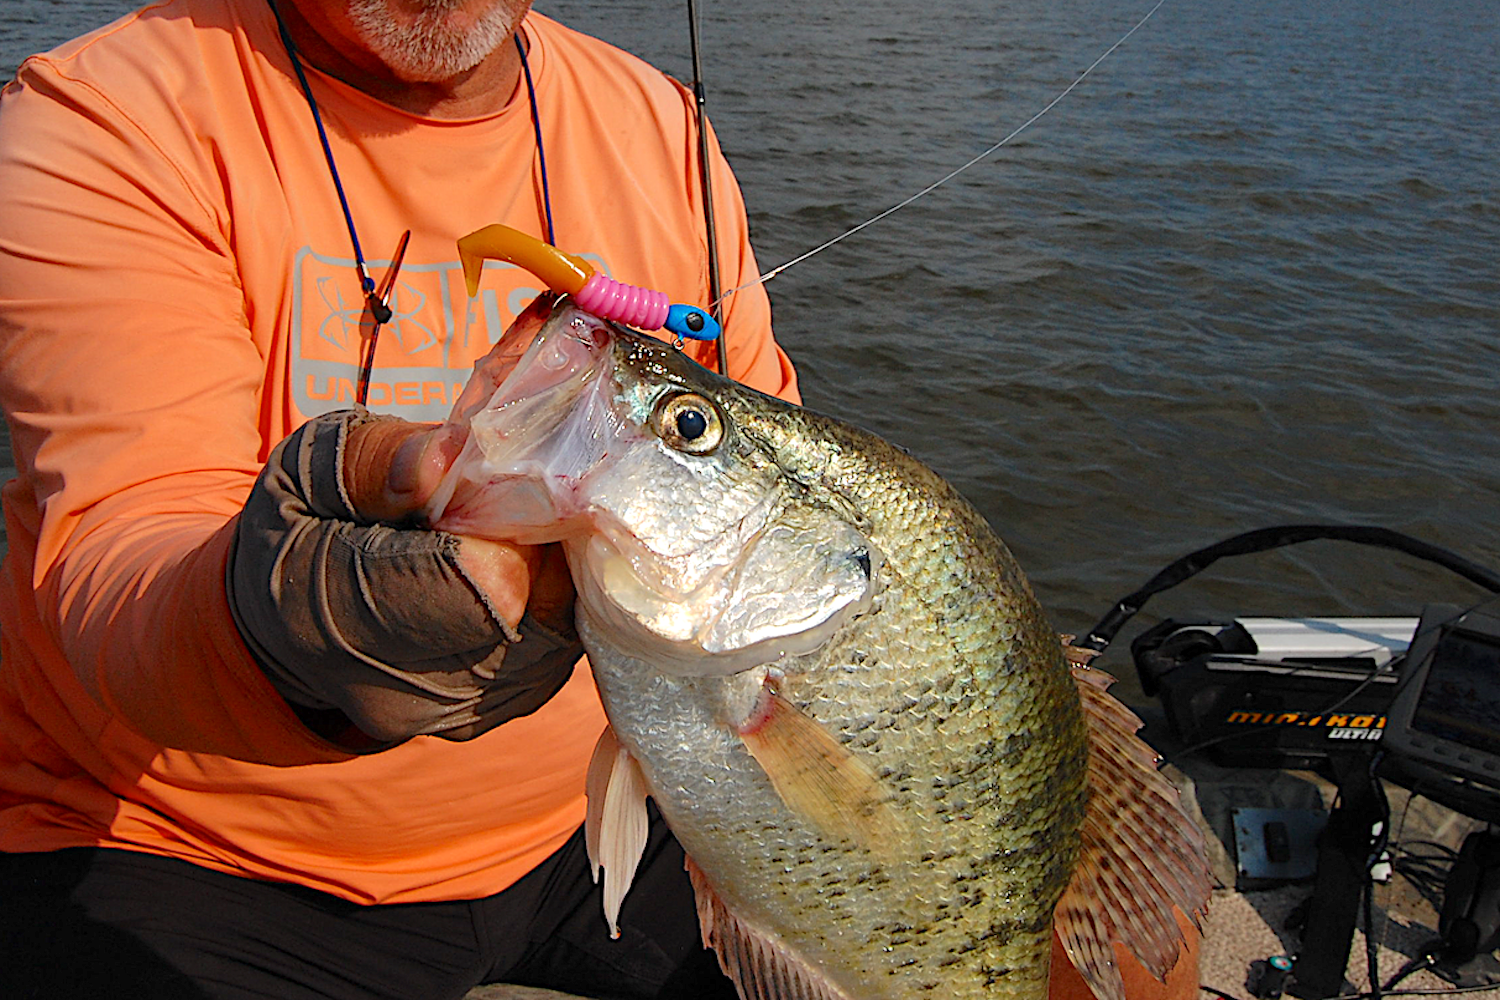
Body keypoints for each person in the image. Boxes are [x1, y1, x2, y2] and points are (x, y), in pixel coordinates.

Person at [0, 1, 1199, 998]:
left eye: (671, 422)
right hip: (189, 851)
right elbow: (116, 577)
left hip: (625, 822)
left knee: (1137, 973)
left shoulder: (657, 125)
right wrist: (292, 630)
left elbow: (786, 475)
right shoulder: (105, 115)